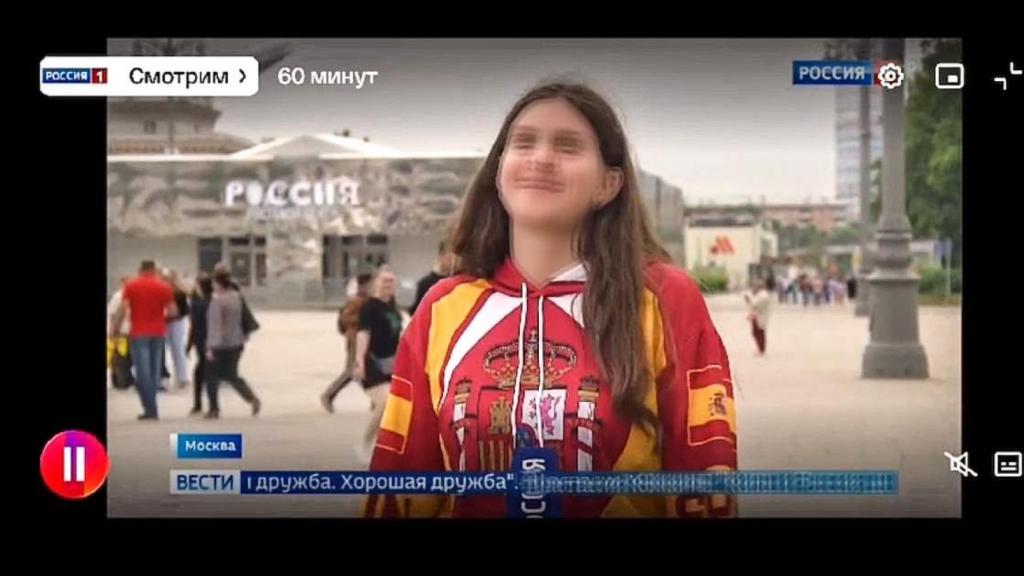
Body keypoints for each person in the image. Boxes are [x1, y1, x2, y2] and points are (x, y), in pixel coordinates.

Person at [365, 81, 737, 518]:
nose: (540, 158)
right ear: (499, 174)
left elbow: (706, 475)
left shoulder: (664, 299)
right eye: (524, 143)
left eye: (567, 146)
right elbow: (400, 481)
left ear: (608, 184)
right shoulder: (442, 307)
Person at [112, 260, 177, 420]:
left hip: (138, 333)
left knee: (142, 372)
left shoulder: (131, 286)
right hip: (158, 333)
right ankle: (152, 408)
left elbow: (122, 309)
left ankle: (150, 409)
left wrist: (115, 329)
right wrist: (159, 316)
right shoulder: (164, 287)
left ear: (140, 270)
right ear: (154, 270)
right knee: (154, 371)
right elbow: (173, 311)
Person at [353, 266, 403, 464]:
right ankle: (364, 443)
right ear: (376, 283)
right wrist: (359, 361)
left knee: (396, 407)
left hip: (392, 364)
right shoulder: (370, 307)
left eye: (391, 281)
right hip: (371, 362)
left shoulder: (392, 306)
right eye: (384, 281)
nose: (388, 285)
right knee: (385, 402)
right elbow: (363, 333)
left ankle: (389, 448)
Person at [204, 270, 261, 419]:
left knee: (211, 376)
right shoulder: (237, 297)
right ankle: (251, 398)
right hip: (236, 342)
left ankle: (214, 408)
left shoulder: (217, 301)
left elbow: (215, 326)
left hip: (220, 345)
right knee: (231, 374)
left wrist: (210, 347)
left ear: (218, 284)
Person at [321, 273, 373, 413]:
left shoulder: (369, 300)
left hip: (366, 339)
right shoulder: (355, 301)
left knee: (369, 370)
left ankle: (376, 401)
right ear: (363, 286)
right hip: (354, 339)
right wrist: (364, 318)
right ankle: (329, 395)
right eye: (370, 284)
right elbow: (346, 318)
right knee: (351, 371)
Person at [186, 272, 213, 416]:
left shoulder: (198, 304)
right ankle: (209, 405)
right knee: (209, 372)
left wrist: (189, 345)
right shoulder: (213, 300)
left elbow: (194, 325)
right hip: (214, 341)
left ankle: (199, 404)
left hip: (202, 341)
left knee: (200, 373)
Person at [162, 268, 191, 389]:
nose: (165, 280)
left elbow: (185, 308)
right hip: (163, 322)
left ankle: (182, 377)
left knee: (178, 348)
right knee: (163, 350)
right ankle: (166, 375)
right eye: (164, 278)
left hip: (176, 322)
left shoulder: (179, 291)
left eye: (167, 278)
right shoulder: (161, 290)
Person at [408, 241, 454, 315]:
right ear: (441, 257)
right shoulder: (425, 283)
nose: (453, 262)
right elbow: (418, 312)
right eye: (450, 258)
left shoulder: (457, 282)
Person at [107, 276, 134, 389]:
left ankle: (122, 381)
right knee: (120, 358)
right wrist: (113, 330)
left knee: (124, 358)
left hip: (129, 331)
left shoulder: (131, 294)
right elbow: (113, 314)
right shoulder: (119, 296)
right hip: (122, 331)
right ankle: (121, 382)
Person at [743, 279, 772, 356]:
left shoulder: (764, 295)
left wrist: (748, 299)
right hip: (756, 316)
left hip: (760, 317)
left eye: (755, 286)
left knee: (759, 333)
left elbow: (755, 305)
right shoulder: (759, 294)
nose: (753, 288)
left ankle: (761, 349)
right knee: (756, 332)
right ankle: (760, 348)